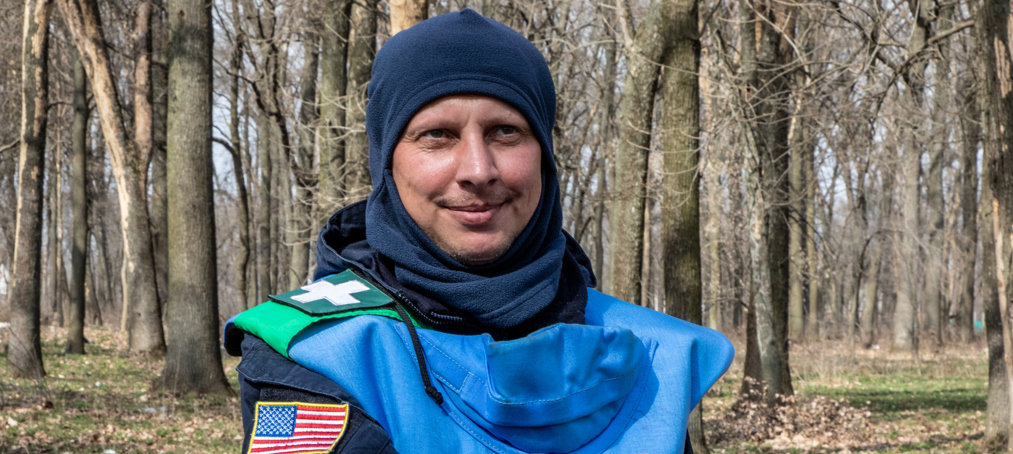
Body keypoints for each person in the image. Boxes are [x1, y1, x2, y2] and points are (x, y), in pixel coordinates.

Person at [223, 9, 733, 453]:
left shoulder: (650, 351)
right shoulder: (320, 351)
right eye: (437, 135)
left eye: (505, 131)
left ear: (545, 159)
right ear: (386, 163)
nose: (478, 169)